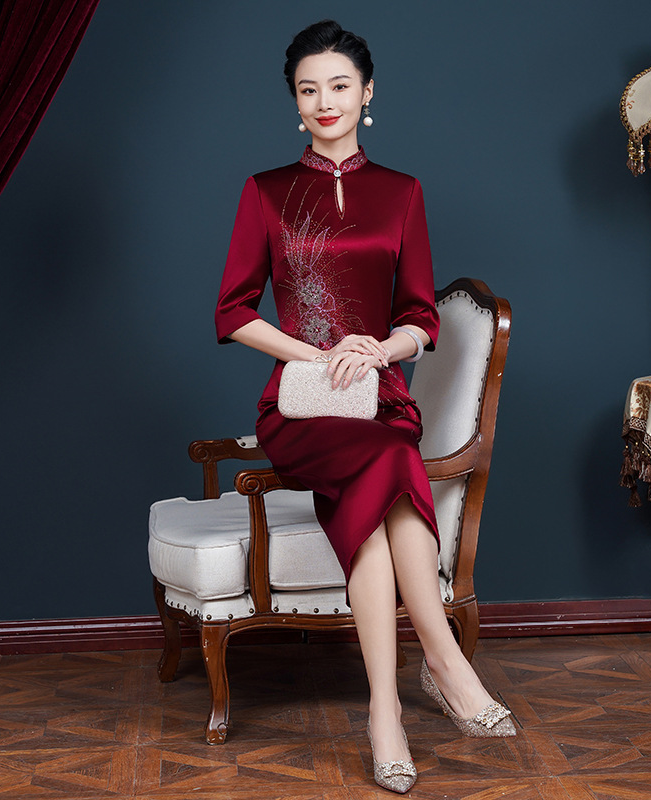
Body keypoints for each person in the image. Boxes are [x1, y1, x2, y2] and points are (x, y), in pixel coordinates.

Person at [215, 20, 514, 793]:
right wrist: (317, 356)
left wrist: (379, 350)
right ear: (295, 100)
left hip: (381, 399)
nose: (325, 100)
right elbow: (233, 312)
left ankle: (387, 708)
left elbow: (421, 316)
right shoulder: (266, 192)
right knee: (392, 465)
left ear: (367, 92)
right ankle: (442, 663)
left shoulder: (402, 193)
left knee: (385, 466)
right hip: (301, 407)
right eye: (308, 88)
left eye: (339, 85)